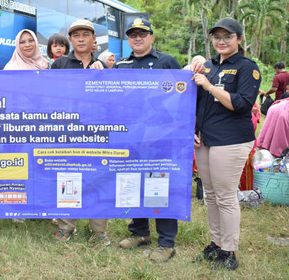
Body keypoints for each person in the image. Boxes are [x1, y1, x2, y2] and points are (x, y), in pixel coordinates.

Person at [192, 18, 261, 271]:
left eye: (227, 36)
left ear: (239, 40)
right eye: (217, 36)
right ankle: (216, 243)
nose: (221, 41)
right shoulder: (206, 66)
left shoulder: (247, 67)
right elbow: (196, 102)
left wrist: (209, 86)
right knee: (210, 195)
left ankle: (229, 252)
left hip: (231, 139)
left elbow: (241, 104)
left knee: (225, 196)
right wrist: (193, 130)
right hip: (205, 139)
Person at [114, 17, 180, 262]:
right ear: (128, 39)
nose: (138, 38)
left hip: (160, 138)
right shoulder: (120, 64)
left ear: (152, 36)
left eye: (143, 34)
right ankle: (139, 232)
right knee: (131, 183)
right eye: (133, 35)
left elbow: (183, 96)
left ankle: (166, 242)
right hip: (129, 136)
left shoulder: (167, 61)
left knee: (159, 185)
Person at [51, 19, 108, 245]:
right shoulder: (60, 65)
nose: (81, 38)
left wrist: (103, 75)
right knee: (69, 176)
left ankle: (99, 230)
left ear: (94, 40)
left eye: (86, 34)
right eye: (76, 35)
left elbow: (112, 101)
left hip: (97, 133)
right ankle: (66, 226)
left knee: (98, 178)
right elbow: (49, 96)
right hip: (68, 131)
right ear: (71, 40)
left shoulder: (103, 67)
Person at [256, 93, 289, 157]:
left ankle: (266, 148)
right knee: (281, 135)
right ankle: (278, 153)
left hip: (274, 108)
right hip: (283, 112)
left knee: (270, 129)